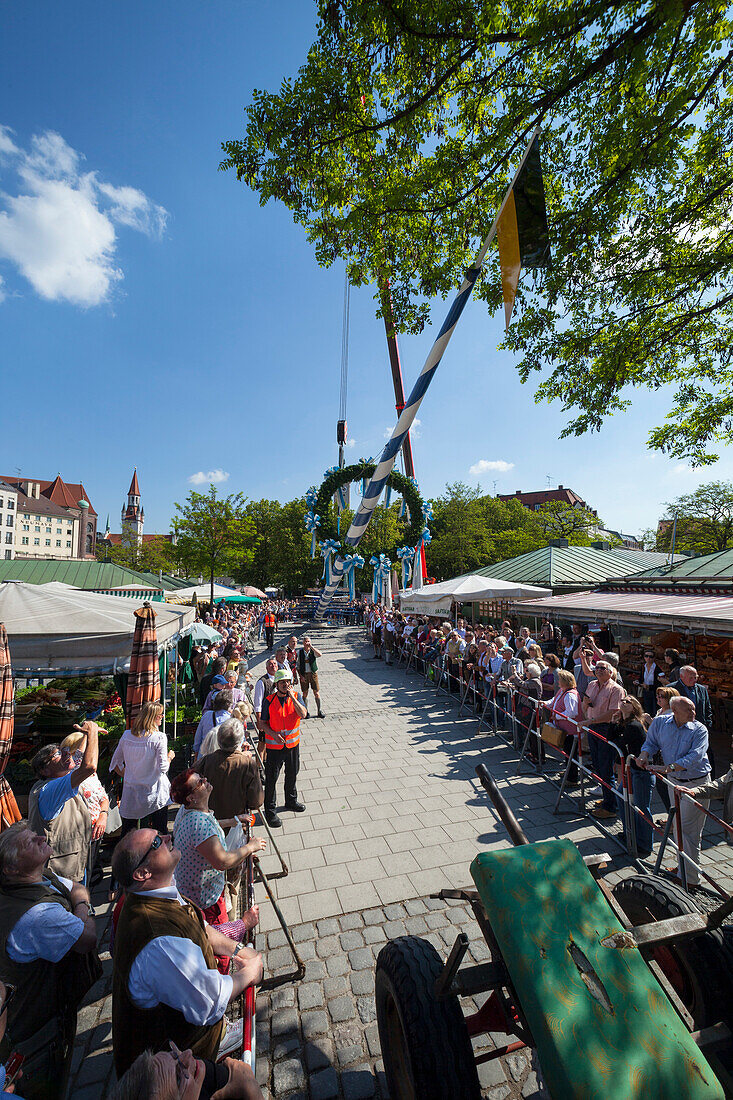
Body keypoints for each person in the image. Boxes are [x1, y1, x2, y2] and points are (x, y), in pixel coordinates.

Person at [110, 828, 262, 1076]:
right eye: (157, 842)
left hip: (183, 1043)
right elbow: (210, 1000)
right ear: (142, 873)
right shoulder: (158, 941)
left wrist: (237, 950)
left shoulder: (156, 891)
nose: (168, 837)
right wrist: (250, 973)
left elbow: (199, 925)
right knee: (244, 1082)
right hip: (174, 1072)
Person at [0, 822, 98, 1100]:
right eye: (29, 842)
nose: (42, 836)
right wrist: (81, 905)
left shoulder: (39, 876)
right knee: (48, 1083)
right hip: (35, 1030)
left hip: (35, 1014)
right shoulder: (38, 916)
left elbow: (76, 886)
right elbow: (88, 937)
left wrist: (78, 898)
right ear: (12, 868)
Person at [169, 770, 263, 968]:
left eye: (203, 777)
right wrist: (250, 847)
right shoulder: (199, 823)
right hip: (205, 898)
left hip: (191, 889)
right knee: (218, 942)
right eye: (199, 783)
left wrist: (233, 820)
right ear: (191, 797)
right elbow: (222, 861)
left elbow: (210, 829)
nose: (205, 780)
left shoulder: (188, 811)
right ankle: (220, 974)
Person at [636, 696, 711, 885]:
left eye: (693, 709)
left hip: (696, 783)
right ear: (675, 711)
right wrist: (644, 755)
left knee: (687, 829)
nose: (694, 713)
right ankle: (684, 867)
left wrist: (669, 768)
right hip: (674, 783)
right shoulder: (661, 723)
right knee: (680, 828)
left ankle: (691, 879)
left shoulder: (700, 729)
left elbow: (695, 756)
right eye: (689, 710)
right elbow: (651, 742)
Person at [27, 720, 100, 883]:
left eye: (64, 750)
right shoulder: (49, 790)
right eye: (58, 754)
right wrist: (93, 732)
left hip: (73, 866)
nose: (67, 754)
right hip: (58, 875)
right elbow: (89, 767)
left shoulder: (63, 779)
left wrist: (86, 736)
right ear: (44, 770)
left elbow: (80, 758)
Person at [110, 1045, 264, 1099]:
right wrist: (252, 1089)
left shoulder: (188, 1069)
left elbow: (226, 1076)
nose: (188, 1054)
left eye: (172, 1052)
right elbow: (241, 1076)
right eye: (179, 1076)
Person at [261, 670, 307, 828]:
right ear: (276, 685)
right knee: (272, 778)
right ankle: (270, 811)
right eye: (282, 682)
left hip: (293, 746)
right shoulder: (269, 700)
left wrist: (293, 698)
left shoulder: (296, 696)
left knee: (292, 773)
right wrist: (273, 734)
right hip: (274, 747)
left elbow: (304, 714)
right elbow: (262, 724)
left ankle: (291, 801)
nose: (286, 684)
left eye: (288, 681)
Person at [582, 660, 626, 820]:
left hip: (606, 729)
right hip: (593, 727)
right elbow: (584, 705)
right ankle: (609, 798)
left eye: (603, 668)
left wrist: (590, 721)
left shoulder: (616, 689)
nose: (598, 670)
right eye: (597, 668)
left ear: (610, 671)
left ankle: (610, 807)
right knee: (598, 766)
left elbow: (614, 712)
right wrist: (585, 706)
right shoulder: (592, 685)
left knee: (606, 767)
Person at [612, 696, 655, 856]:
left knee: (641, 807)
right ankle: (629, 833)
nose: (623, 701)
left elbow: (618, 744)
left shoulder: (634, 725)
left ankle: (644, 844)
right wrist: (613, 721)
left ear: (634, 707)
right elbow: (612, 740)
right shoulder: (623, 723)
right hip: (628, 769)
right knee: (623, 801)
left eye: (628, 701)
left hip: (639, 771)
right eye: (622, 699)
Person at [545, 669, 582, 782]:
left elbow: (572, 713)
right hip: (565, 729)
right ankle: (568, 771)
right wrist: (545, 703)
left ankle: (572, 778)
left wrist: (557, 716)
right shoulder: (562, 691)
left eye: (560, 679)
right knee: (567, 752)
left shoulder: (570, 695)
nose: (557, 682)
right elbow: (554, 701)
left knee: (571, 753)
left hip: (571, 730)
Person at [194, 691, 235, 759]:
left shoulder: (207, 715)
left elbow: (197, 739)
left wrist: (196, 754)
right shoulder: (231, 720)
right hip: (223, 758)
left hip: (204, 756)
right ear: (229, 704)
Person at [298, 636, 324, 718]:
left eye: (308, 641)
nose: (307, 643)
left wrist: (312, 647)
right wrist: (300, 676)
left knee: (316, 692)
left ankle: (319, 711)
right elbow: (297, 666)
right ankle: (306, 711)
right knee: (305, 693)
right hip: (304, 674)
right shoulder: (300, 652)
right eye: (305, 641)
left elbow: (320, 654)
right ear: (303, 643)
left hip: (313, 674)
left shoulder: (313, 651)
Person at [635, 649, 663, 716]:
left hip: (654, 692)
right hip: (646, 692)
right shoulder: (643, 667)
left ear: (654, 658)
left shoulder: (657, 669)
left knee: (654, 711)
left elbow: (659, 683)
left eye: (650, 656)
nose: (648, 658)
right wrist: (637, 682)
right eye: (646, 656)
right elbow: (641, 678)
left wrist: (649, 686)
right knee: (647, 710)